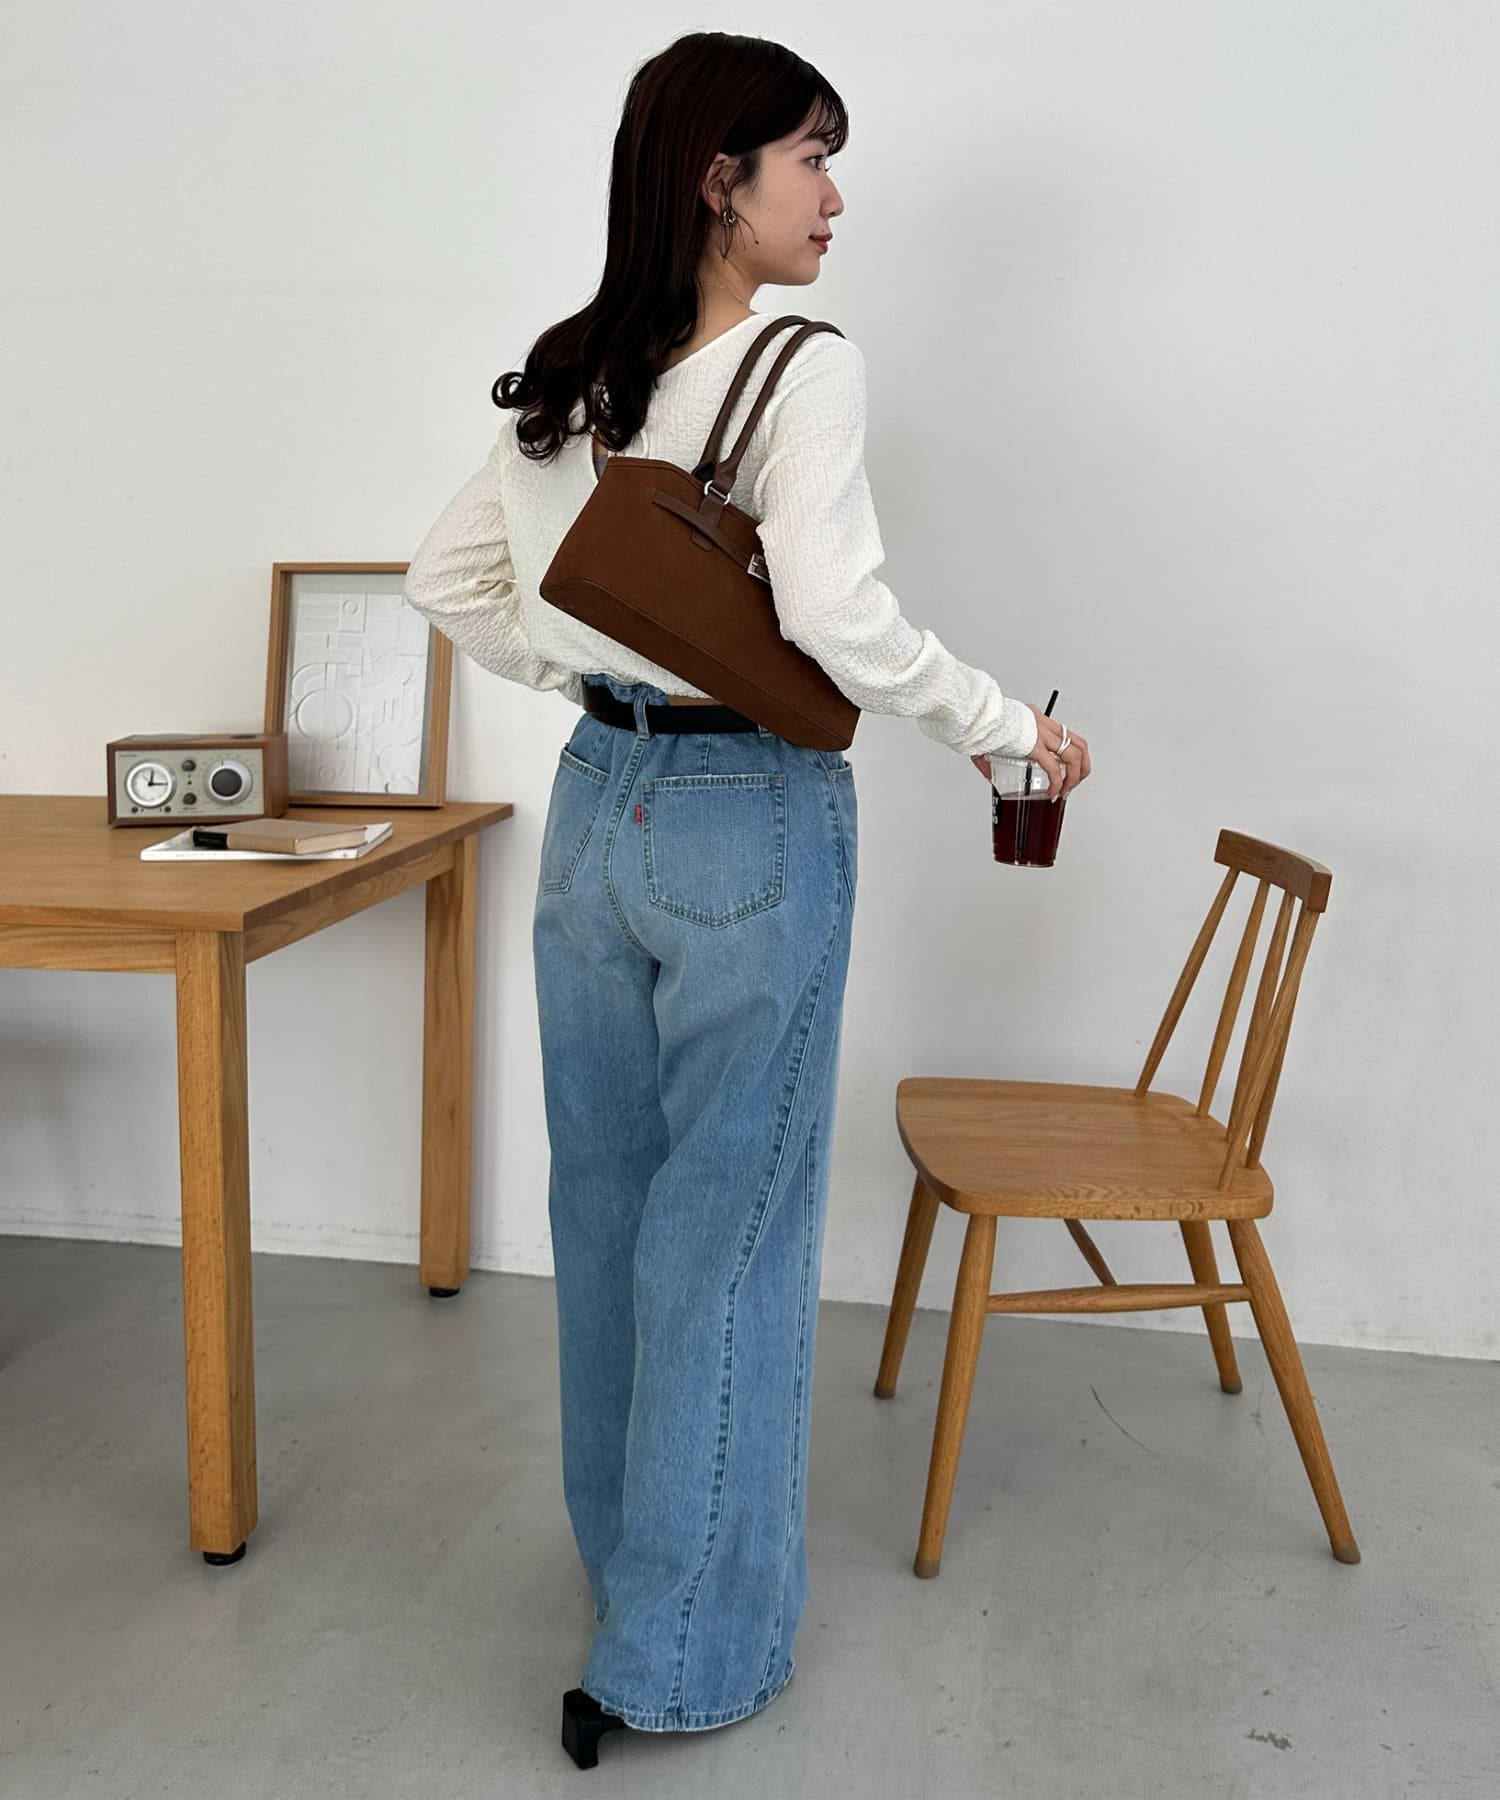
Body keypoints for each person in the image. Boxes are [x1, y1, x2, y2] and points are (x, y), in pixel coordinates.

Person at [401, 29, 1092, 1767]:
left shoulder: (575, 371)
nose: (835, 198)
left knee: (608, 1215)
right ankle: (681, 1659)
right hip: (747, 821)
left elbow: (449, 581)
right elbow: (842, 623)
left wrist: (597, 680)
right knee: (733, 1232)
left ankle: (630, 1582)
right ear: (722, 181)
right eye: (812, 160)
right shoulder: (803, 366)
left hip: (596, 812)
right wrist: (1009, 730)